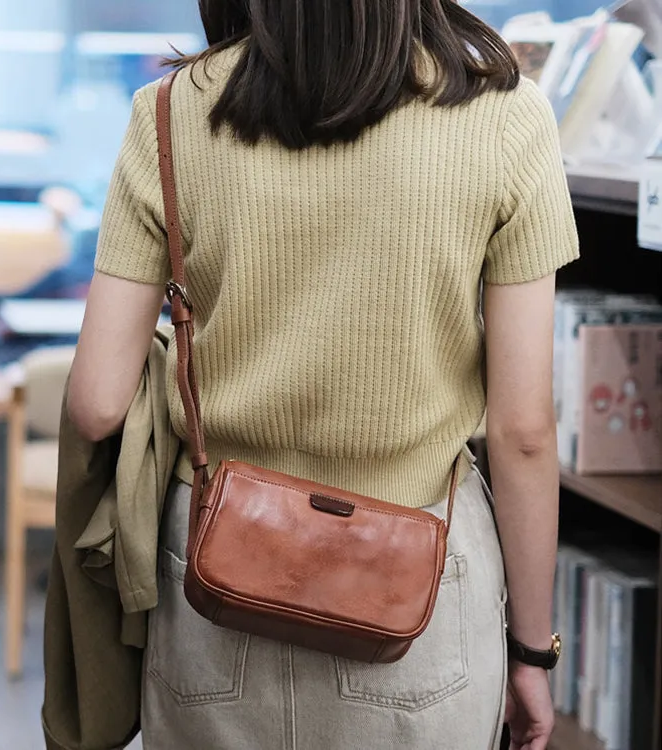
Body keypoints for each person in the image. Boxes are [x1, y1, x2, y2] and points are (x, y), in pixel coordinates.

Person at [67, 1, 579, 748]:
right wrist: (533, 651)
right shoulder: (506, 111)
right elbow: (523, 431)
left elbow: (96, 405)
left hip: (216, 561)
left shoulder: (170, 111)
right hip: (419, 579)